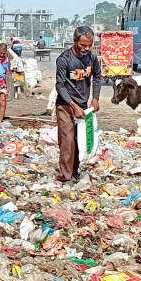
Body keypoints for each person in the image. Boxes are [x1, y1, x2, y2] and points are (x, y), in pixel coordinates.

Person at [55, 26, 101, 184]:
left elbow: (98, 76)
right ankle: (67, 176)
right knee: (67, 140)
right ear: (75, 41)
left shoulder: (91, 58)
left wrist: (95, 98)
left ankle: (74, 171)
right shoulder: (64, 59)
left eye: (90, 45)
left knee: (79, 140)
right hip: (66, 105)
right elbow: (59, 86)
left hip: (84, 106)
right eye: (83, 45)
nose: (87, 48)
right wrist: (74, 106)